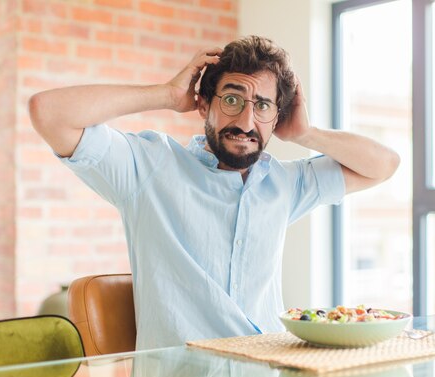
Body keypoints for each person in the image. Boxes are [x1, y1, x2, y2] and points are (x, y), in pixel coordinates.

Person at [29, 35, 399, 349]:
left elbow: (384, 165)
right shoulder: (150, 168)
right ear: (204, 103)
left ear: (277, 117)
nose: (246, 122)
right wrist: (167, 94)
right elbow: (48, 112)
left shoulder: (284, 184)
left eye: (263, 106)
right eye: (232, 100)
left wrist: (305, 134)